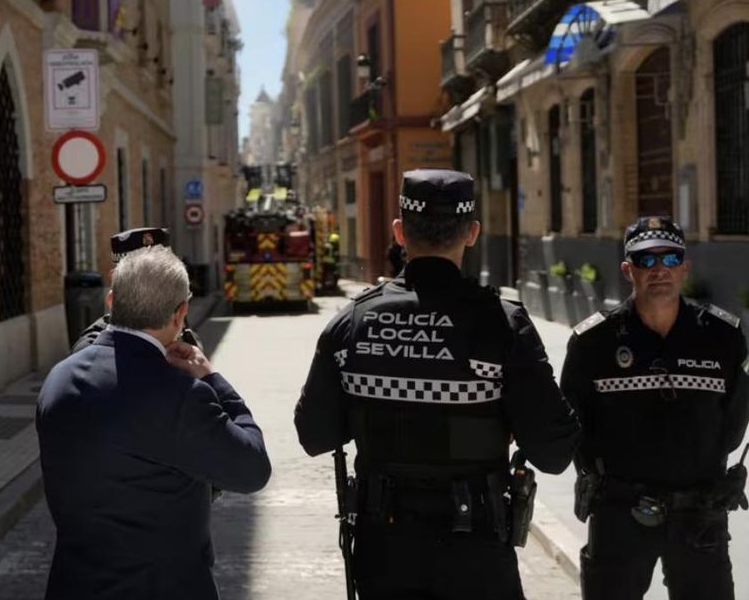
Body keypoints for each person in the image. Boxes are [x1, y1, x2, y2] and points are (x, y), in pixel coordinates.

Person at [294, 169, 580, 600]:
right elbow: (554, 453)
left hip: (384, 556)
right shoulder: (503, 325)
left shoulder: (352, 323)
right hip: (477, 556)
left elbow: (314, 435)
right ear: (472, 233)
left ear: (400, 232)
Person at [38, 246, 271, 600]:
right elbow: (253, 468)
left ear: (111, 301)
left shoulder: (59, 379)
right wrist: (212, 379)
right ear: (180, 314)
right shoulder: (183, 396)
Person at [562, 216, 749, 600]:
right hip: (620, 516)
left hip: (699, 515)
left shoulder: (722, 337)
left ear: (685, 266)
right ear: (627, 269)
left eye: (670, 258)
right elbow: (574, 427)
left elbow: (732, 427)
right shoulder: (593, 342)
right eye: (646, 260)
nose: (659, 269)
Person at [71, 227, 203, 353]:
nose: (152, 288)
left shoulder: (187, 340)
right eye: (137, 277)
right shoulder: (92, 346)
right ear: (115, 280)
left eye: (162, 275)